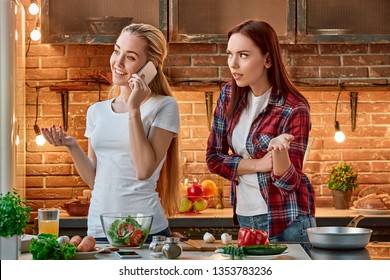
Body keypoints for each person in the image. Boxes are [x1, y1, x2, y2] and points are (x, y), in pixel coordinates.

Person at [41, 23, 181, 242]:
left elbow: (143, 170)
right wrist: (72, 146)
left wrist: (134, 109)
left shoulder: (164, 106)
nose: (118, 61)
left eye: (131, 57)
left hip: (146, 231)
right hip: (99, 230)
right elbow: (96, 181)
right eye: (117, 51)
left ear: (150, 67)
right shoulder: (96, 111)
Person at [206, 20, 316, 244]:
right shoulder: (228, 95)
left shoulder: (293, 108)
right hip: (245, 218)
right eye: (230, 54)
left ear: (267, 59)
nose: (233, 64)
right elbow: (214, 158)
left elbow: (288, 182)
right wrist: (258, 164)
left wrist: (278, 151)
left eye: (243, 55)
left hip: (287, 222)